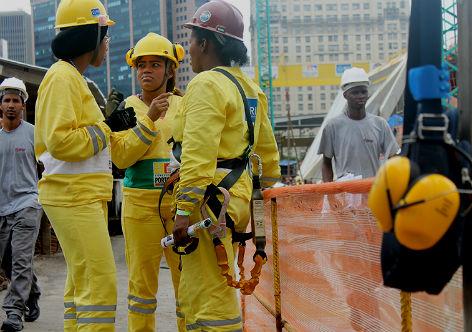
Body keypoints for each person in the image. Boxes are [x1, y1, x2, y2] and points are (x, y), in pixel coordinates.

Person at [171, 1, 280, 330]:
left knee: (213, 296)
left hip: (208, 203)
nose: (188, 48)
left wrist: (182, 211)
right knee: (197, 290)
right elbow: (267, 156)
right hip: (234, 198)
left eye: (192, 40)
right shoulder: (250, 88)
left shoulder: (206, 85)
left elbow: (197, 157)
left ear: (206, 43)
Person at [34, 0, 136, 331]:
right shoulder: (63, 77)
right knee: (100, 283)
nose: (107, 45)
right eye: (104, 37)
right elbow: (61, 141)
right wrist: (107, 127)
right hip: (72, 195)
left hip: (77, 195)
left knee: (82, 283)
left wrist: (109, 125)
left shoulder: (71, 78)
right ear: (89, 37)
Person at [110, 32, 185, 332]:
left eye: (155, 64)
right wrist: (149, 119)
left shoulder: (185, 105)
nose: (146, 70)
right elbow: (122, 159)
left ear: (170, 70)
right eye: (141, 64)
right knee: (141, 288)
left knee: (188, 284)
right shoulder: (126, 109)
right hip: (140, 208)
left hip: (181, 204)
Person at [0, 77, 42, 331]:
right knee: (8, 262)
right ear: (1, 105)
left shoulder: (34, 134)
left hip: (28, 204)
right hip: (2, 207)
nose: (12, 105)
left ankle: (14, 312)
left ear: (24, 105)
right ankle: (33, 291)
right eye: (7, 100)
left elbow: (49, 164)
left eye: (17, 100)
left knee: (20, 259)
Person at [318, 67, 399, 182]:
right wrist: (329, 194)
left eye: (363, 91)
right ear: (345, 95)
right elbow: (326, 163)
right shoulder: (333, 127)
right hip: (345, 195)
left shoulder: (380, 124)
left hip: (372, 192)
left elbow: (393, 157)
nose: (360, 96)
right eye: (355, 92)